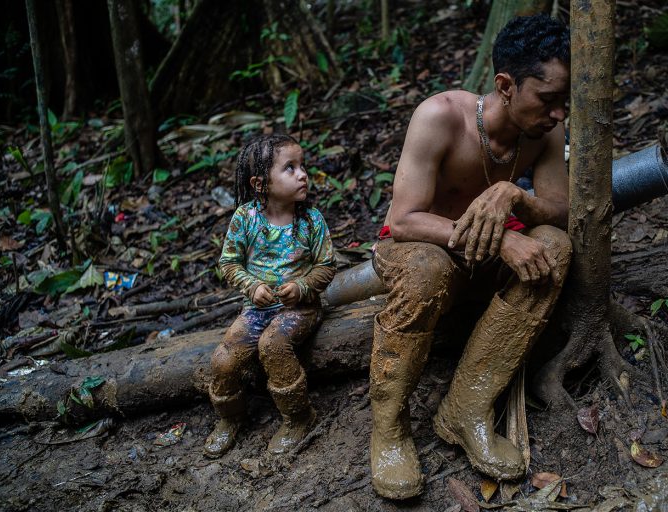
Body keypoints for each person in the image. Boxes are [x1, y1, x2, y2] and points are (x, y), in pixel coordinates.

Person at [369, 14, 573, 499]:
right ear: (506, 85)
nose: (559, 113)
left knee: (555, 248)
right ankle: (389, 429)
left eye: (565, 102)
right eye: (547, 99)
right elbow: (403, 220)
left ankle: (466, 408)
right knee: (426, 268)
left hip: (480, 262)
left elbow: (561, 212)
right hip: (419, 250)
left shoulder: (544, 135)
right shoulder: (439, 116)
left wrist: (514, 196)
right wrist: (501, 239)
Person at [203, 133, 336, 458]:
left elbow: (327, 265)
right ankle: (230, 418)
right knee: (223, 359)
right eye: (290, 168)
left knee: (273, 345)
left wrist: (302, 287)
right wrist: (252, 286)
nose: (303, 173)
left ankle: (299, 417)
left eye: (302, 165)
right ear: (260, 183)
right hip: (257, 310)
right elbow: (229, 263)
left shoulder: (311, 221)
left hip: (301, 309)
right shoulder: (245, 219)